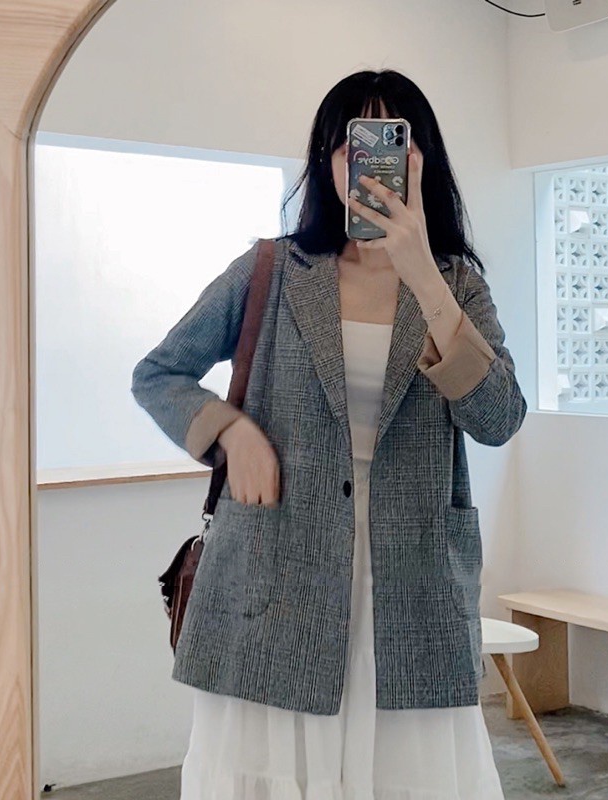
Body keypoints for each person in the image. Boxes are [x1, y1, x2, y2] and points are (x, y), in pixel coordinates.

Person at [132, 68, 527, 799]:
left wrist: (423, 275)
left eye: (392, 142)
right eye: (351, 144)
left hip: (410, 590)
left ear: (422, 159)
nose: (368, 162)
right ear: (327, 161)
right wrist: (232, 433)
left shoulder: (457, 285)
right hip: (277, 580)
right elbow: (159, 374)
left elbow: (498, 418)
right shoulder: (272, 271)